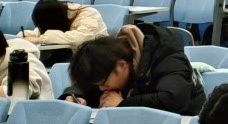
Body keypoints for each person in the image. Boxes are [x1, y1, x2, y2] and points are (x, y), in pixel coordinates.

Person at [61, 24, 205, 114]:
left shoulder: (168, 58)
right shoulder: (109, 63)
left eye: (103, 83)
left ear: (121, 65)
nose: (101, 88)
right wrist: (77, 95)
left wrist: (123, 104)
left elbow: (173, 99)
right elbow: (89, 84)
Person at [25, 0, 109, 62]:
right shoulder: (56, 17)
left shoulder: (89, 14)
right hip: (72, 59)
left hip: (95, 58)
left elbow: (80, 39)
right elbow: (40, 31)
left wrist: (40, 39)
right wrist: (24, 36)